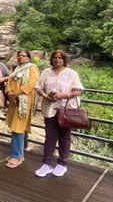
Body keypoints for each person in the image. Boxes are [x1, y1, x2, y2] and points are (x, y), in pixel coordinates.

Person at [34, 49, 84, 177]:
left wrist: (64, 95)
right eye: (55, 57)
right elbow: (38, 87)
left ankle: (62, 164)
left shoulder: (72, 73)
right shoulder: (46, 72)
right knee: (50, 136)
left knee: (65, 137)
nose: (57, 60)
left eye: (60, 58)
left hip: (65, 109)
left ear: (64, 60)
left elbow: (78, 91)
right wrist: (45, 95)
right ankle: (47, 164)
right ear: (51, 59)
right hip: (49, 107)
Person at [4, 50, 39, 168]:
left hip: (23, 103)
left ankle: (16, 156)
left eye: (23, 56)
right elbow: (9, 81)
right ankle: (20, 155)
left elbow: (31, 83)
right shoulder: (16, 69)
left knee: (18, 128)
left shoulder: (32, 68)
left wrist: (16, 93)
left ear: (28, 58)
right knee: (16, 128)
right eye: (19, 55)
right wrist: (9, 93)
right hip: (14, 102)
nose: (20, 57)